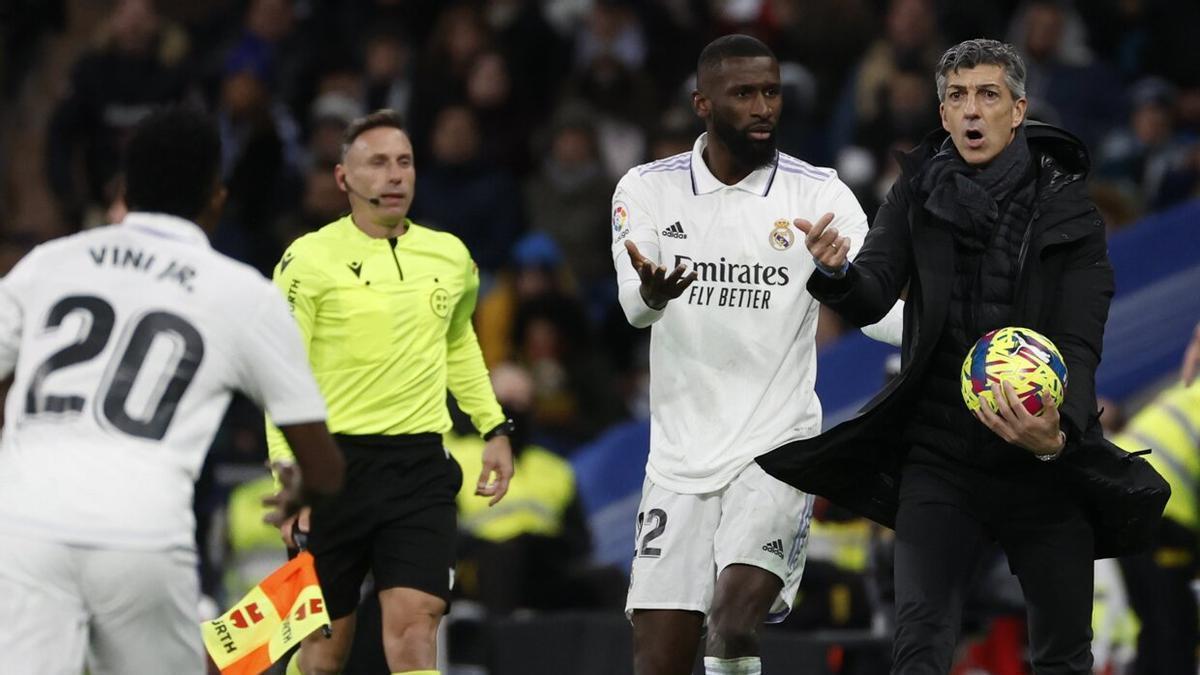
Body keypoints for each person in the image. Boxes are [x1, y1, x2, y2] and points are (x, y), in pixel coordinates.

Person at [758, 39, 1168, 673]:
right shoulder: (916, 195)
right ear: (943, 115)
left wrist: (1056, 436)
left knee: (1063, 654)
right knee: (918, 643)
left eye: (988, 95)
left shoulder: (1070, 214)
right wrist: (836, 275)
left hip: (1041, 460)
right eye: (957, 97)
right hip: (940, 455)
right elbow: (871, 293)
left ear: (1018, 109)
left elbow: (1081, 343)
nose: (972, 110)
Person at [0, 106, 345, 674]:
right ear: (217, 196)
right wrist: (306, 494)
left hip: (26, 520)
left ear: (124, 192)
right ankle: (291, 607)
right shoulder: (244, 294)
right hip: (142, 527)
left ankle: (287, 609)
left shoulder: (49, 263)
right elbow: (327, 471)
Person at [613, 35, 869, 675]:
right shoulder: (648, 188)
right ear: (703, 103)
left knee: (731, 623)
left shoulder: (821, 196)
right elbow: (634, 307)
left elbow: (884, 311)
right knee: (659, 661)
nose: (763, 107)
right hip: (679, 459)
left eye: (772, 92)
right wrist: (651, 291)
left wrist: (845, 282)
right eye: (745, 93)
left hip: (777, 447)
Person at [268, 108, 515, 675]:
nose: (395, 175)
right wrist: (288, 475)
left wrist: (493, 427)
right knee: (325, 648)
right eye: (377, 163)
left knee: (415, 624)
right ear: (343, 178)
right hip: (330, 468)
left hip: (419, 466)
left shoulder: (451, 257)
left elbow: (459, 346)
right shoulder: (307, 260)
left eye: (403, 162)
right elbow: (279, 372)